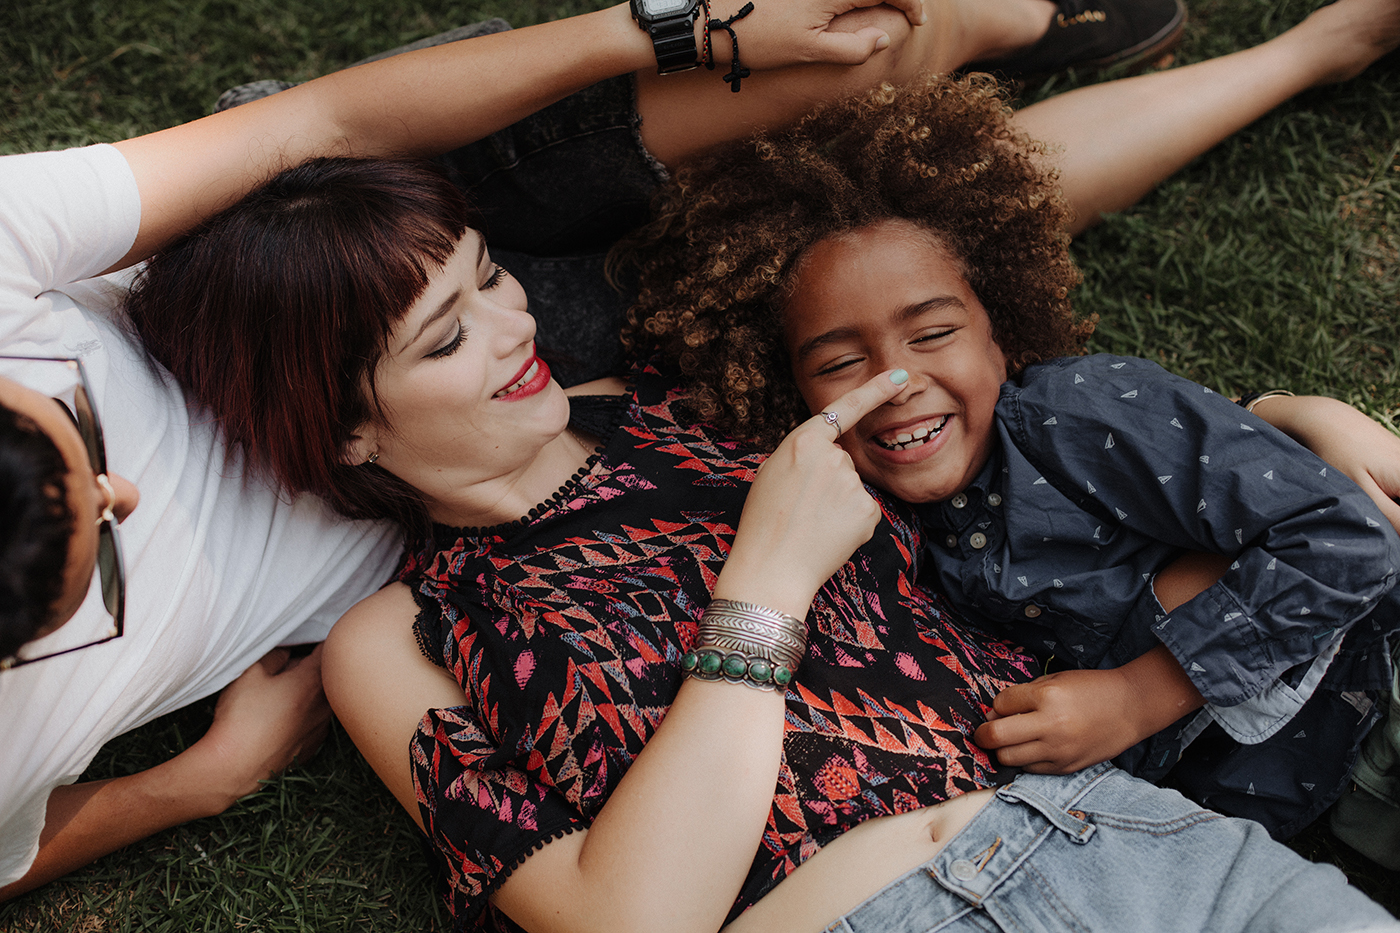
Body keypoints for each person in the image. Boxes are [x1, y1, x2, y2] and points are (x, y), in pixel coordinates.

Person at [112, 9, 1400, 933]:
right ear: (345, 430)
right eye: (446, 337)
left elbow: (964, 408)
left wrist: (1276, 424)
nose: (514, 331)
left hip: (1153, 848)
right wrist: (765, 582)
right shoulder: (400, 637)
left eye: (490, 279)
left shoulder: (689, 397)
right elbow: (623, 919)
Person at [3, 0, 1039, 898]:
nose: (126, 490)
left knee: (835, 76)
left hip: (327, 230)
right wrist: (197, 782)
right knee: (855, 281)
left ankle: (1022, 20)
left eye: (77, 429)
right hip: (424, 413)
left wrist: (673, 23)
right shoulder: (402, 629)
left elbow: (324, 122)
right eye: (98, 563)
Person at [620, 29, 1400, 848]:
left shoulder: (1076, 413)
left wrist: (1139, 693)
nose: (897, 380)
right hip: (1317, 822)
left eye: (932, 334)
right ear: (791, 391)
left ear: (1001, 333)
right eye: (844, 361)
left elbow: (1345, 537)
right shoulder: (873, 532)